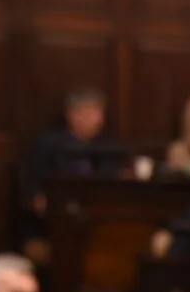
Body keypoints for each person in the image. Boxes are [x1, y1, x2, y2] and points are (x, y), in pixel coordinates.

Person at [19, 86, 120, 220]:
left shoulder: (107, 145)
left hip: (97, 212)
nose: (99, 120)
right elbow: (30, 178)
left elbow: (110, 178)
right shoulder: (48, 144)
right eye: (92, 113)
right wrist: (36, 197)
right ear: (72, 114)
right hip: (57, 213)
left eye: (100, 113)